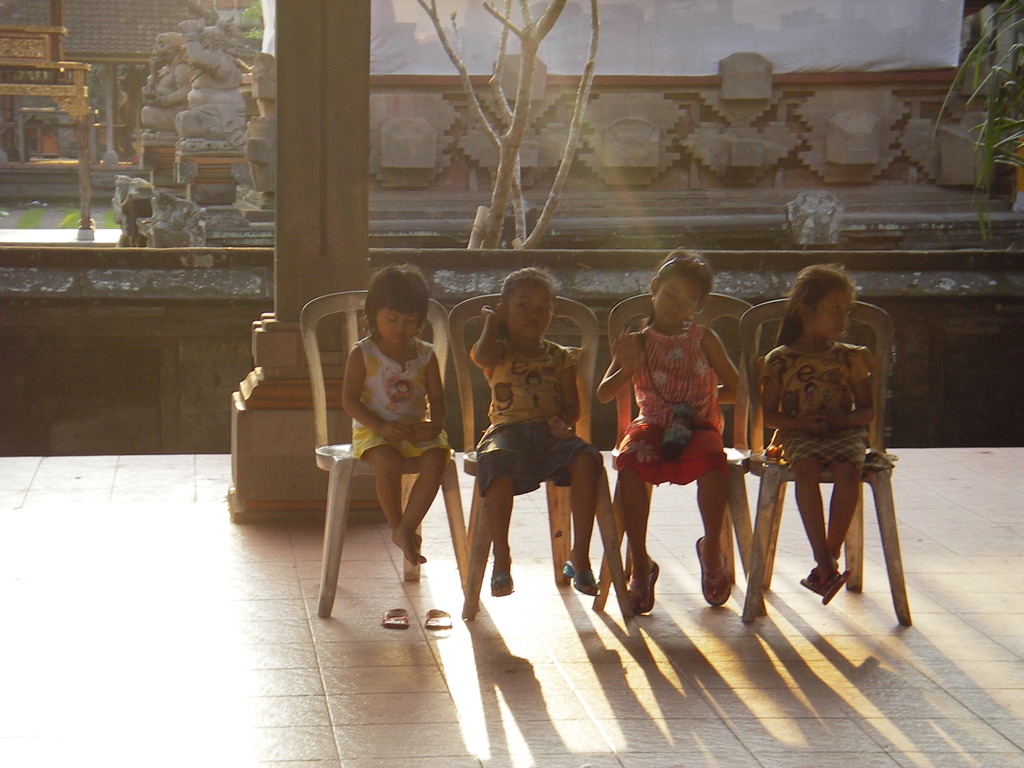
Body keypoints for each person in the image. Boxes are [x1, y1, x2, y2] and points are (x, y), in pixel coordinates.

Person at [597, 251, 738, 614]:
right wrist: (626, 368)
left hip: (699, 424)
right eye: (671, 295)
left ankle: (711, 548)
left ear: (698, 307)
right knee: (630, 461)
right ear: (655, 288)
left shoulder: (704, 339)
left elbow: (738, 386)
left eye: (688, 301)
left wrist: (707, 399)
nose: (677, 306)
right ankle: (640, 561)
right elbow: (604, 393)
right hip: (652, 424)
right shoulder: (637, 341)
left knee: (712, 458)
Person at [472, 267, 603, 598]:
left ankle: (580, 554)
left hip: (549, 436)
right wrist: (491, 322)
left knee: (588, 458)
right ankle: (501, 556)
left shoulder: (560, 357)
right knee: (496, 463)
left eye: (542, 308)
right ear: (505, 311)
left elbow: (572, 406)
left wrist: (564, 422)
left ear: (552, 314)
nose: (533, 314)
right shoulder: (498, 351)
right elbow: (481, 355)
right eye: (523, 306)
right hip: (507, 433)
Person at [759, 263, 875, 605]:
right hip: (799, 434)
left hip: (843, 433)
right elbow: (769, 415)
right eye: (834, 310)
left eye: (846, 311)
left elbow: (867, 411)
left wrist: (841, 422)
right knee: (805, 470)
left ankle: (827, 561)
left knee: (848, 471)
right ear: (806, 311)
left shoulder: (849, 358)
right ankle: (825, 562)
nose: (842, 319)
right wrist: (804, 425)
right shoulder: (779, 360)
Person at [340, 265, 450, 567]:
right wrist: (381, 426)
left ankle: (406, 528)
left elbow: (438, 399)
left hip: (415, 430)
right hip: (373, 430)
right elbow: (349, 400)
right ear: (374, 315)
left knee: (437, 459)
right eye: (392, 320)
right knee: (389, 462)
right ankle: (395, 523)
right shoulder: (363, 353)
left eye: (410, 322)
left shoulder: (425, 354)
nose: (400, 328)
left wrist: (435, 425)